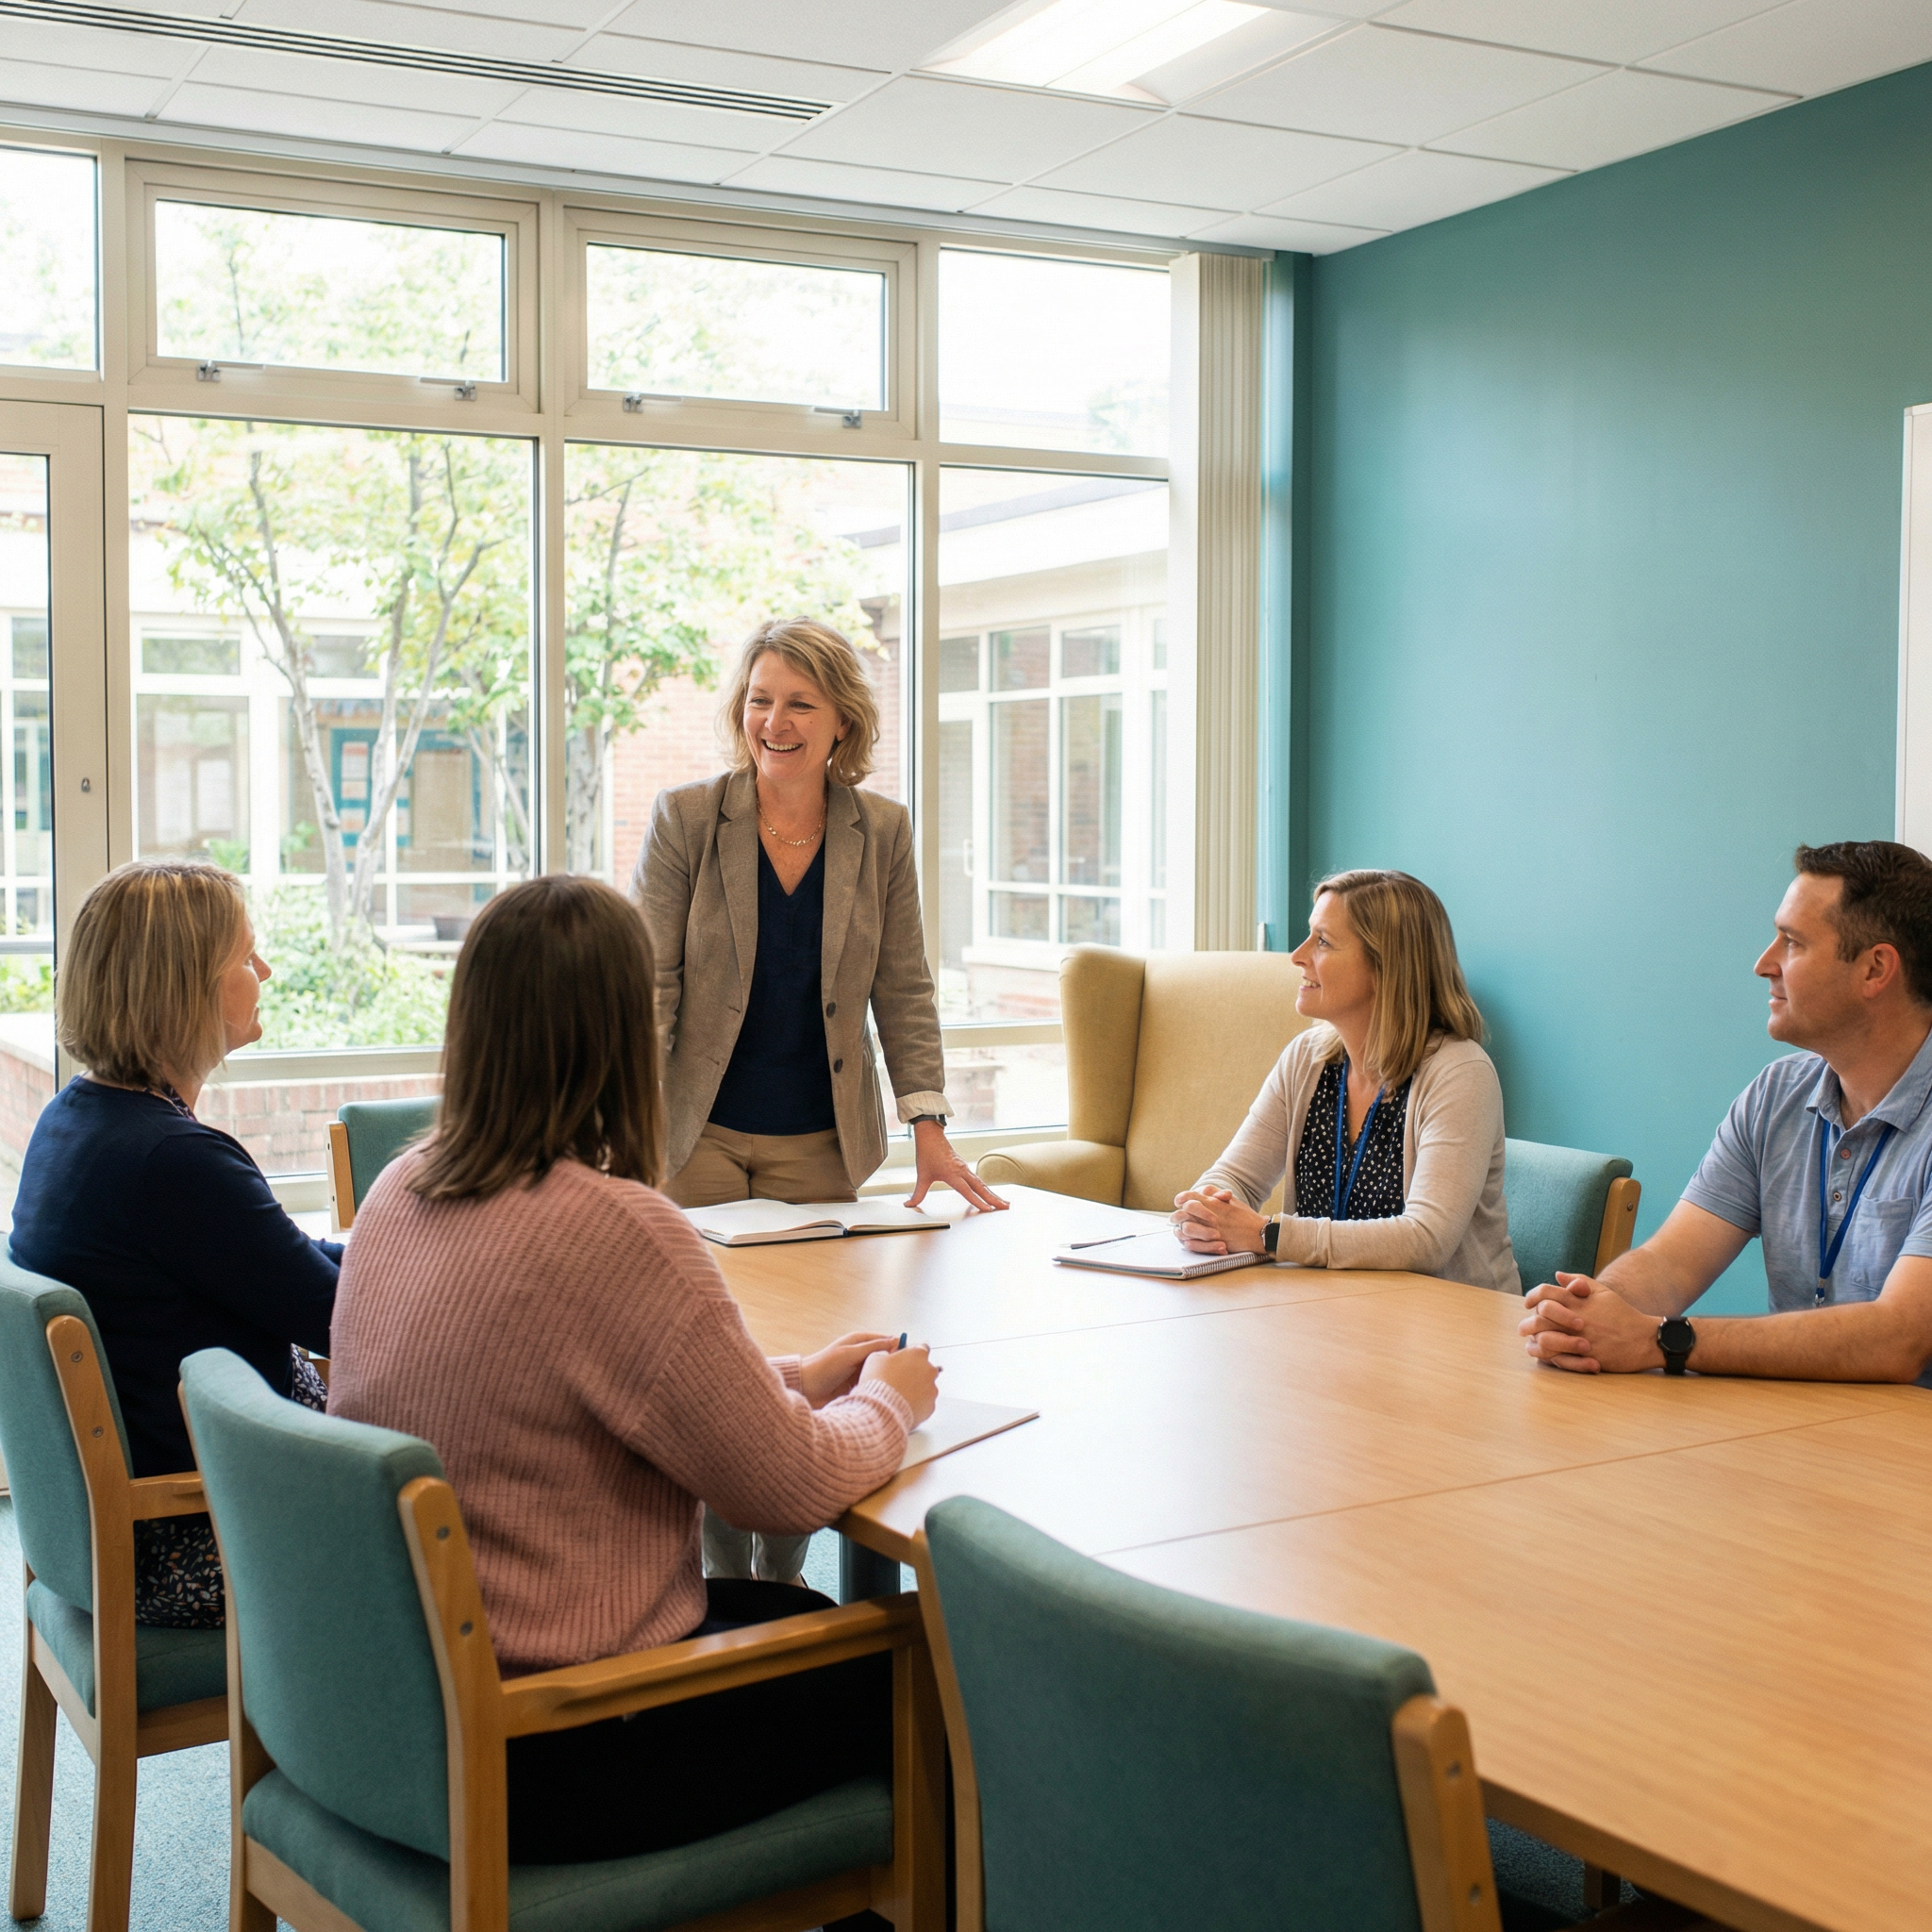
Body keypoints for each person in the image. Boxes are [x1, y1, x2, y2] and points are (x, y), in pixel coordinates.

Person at [326, 874, 941, 1864]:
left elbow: (548, 1390)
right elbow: (787, 1490)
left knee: (806, 1619)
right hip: (556, 1736)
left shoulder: (399, 1187)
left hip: (398, 1703)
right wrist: (885, 1403)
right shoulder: (615, 1227)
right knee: (923, 1669)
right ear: (624, 1034)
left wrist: (783, 1377)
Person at [634, 617, 1002, 1584]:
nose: (774, 720)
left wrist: (927, 1122)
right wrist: (625, 1132)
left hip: (819, 1143)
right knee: (712, 1365)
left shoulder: (878, 830)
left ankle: (783, 1570)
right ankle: (720, 1576)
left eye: (798, 701)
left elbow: (903, 983)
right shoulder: (686, 817)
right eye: (759, 699)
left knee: (814, 1360)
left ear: (842, 719)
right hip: (694, 1136)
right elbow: (652, 986)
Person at [9, 858, 337, 1627]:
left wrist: (399, 1250)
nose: (264, 970)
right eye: (244, 956)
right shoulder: (173, 1161)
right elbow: (338, 1319)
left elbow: (282, 1263)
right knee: (485, 1511)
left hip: (119, 1528)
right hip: (199, 1535)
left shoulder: (75, 1118)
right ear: (183, 987)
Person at [1522, 841, 1932, 1383]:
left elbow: (1897, 1339)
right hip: (1803, 1428)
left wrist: (1661, 1339)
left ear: (1875, 969)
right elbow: (1669, 1264)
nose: (1764, 964)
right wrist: (1588, 1313)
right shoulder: (1776, 1094)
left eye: (1793, 943)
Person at [1172, 869, 1518, 1295]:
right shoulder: (1306, 1058)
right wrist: (1207, 1210)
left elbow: (1426, 1239)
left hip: (1452, 1328)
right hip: (1338, 1311)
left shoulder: (1459, 1073)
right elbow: (1235, 1177)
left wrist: (1269, 1235)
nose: (1297, 956)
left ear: (1386, 966)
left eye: (1322, 941)